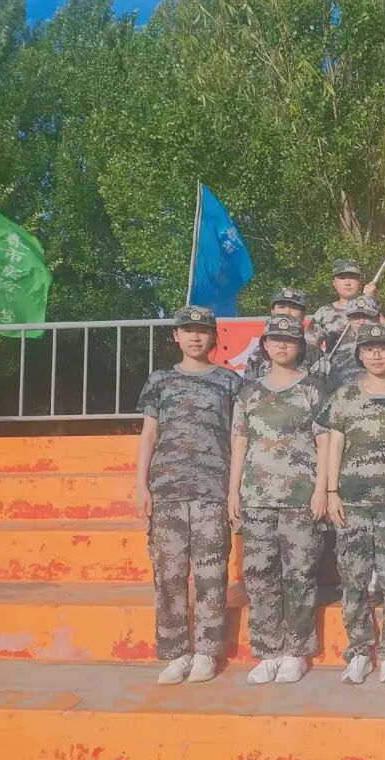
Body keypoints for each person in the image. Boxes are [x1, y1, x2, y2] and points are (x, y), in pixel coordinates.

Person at [136, 305, 242, 685]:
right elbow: (149, 434)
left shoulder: (230, 382)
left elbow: (238, 438)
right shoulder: (160, 380)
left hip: (213, 490)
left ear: (214, 337)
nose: (196, 336)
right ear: (176, 336)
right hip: (167, 490)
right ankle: (176, 653)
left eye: (203, 330)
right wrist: (141, 485)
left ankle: (207, 652)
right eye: (188, 330)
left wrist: (234, 490)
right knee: (169, 574)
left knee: (212, 574)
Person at [321, 322, 385, 686]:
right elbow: (334, 445)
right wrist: (331, 491)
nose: (376, 354)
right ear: (359, 355)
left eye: (383, 348)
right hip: (352, 501)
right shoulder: (344, 396)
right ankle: (359, 652)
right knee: (354, 581)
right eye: (368, 349)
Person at [229, 316, 328, 685]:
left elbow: (324, 442)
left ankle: (296, 652)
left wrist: (322, 489)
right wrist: (233, 489)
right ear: (265, 345)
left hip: (301, 497)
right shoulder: (249, 392)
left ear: (300, 346)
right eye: (275, 339)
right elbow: (240, 441)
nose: (282, 345)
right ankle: (268, 650)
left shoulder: (313, 389)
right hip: (256, 497)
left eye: (290, 340)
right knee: (260, 576)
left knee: (299, 575)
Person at [244, 287, 327, 380]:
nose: (287, 312)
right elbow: (249, 386)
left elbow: (322, 385)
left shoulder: (314, 353)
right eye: (281, 307)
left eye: (294, 308)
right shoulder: (258, 353)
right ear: (272, 311)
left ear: (304, 314)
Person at [311, 258, 378, 351]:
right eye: (342, 278)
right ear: (334, 283)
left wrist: (370, 301)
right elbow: (310, 347)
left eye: (352, 277)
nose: (347, 283)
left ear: (360, 281)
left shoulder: (374, 309)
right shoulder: (324, 312)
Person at [326, 294, 384, 393]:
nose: (361, 322)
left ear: (378, 318)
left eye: (367, 316)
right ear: (349, 320)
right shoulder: (339, 358)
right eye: (356, 317)